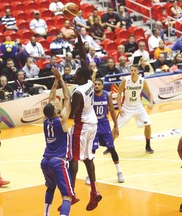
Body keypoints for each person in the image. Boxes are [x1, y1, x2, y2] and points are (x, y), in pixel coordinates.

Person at [69, 29, 102, 211]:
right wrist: (79, 38)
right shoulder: (89, 82)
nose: (74, 77)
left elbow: (72, 115)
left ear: (81, 78)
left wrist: (61, 113)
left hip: (82, 126)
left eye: (76, 76)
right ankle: (94, 191)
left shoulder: (78, 92)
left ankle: (71, 193)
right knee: (88, 158)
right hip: (93, 123)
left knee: (74, 159)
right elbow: (83, 57)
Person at [41, 67, 75, 216]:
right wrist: (60, 79)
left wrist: (55, 82)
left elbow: (50, 99)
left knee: (50, 188)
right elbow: (67, 98)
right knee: (67, 196)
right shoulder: (62, 120)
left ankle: (46, 214)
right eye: (55, 107)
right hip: (58, 161)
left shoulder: (44, 120)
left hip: (45, 161)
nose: (56, 105)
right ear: (55, 111)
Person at [89, 78, 124, 183]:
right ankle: (90, 175)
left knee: (112, 148)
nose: (96, 86)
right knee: (92, 150)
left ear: (102, 86)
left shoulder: (107, 95)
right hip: (94, 125)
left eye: (99, 84)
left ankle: (119, 172)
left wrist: (116, 125)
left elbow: (112, 110)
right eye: (95, 84)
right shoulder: (90, 96)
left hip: (104, 125)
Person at [117, 64, 154, 153]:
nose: (133, 72)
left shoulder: (142, 81)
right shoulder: (126, 80)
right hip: (126, 106)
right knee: (116, 127)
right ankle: (109, 147)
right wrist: (119, 107)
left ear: (138, 71)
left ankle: (148, 146)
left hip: (138, 106)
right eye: (131, 70)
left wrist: (151, 102)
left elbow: (149, 93)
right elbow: (119, 93)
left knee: (148, 124)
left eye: (134, 70)